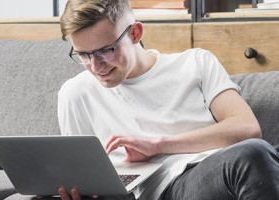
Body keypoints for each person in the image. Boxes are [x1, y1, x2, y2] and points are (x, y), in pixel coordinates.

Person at [43, 0, 279, 200]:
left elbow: (247, 128)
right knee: (254, 156)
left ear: (135, 33)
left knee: (258, 153)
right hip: (156, 190)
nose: (95, 67)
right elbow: (83, 174)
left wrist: (157, 145)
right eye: (83, 54)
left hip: (215, 170)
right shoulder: (75, 93)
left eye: (105, 51)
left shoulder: (196, 62)